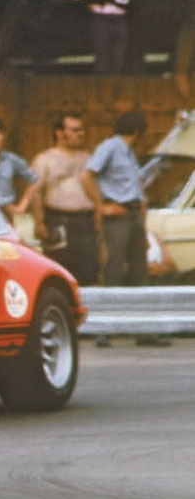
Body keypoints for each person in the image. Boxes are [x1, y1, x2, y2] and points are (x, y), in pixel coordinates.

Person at [81, 111, 168, 347]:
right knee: (114, 268)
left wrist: (143, 217)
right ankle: (105, 329)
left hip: (133, 214)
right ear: (138, 131)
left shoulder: (129, 153)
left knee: (140, 270)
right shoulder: (109, 147)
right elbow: (86, 176)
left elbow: (136, 186)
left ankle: (144, 331)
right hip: (117, 214)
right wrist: (101, 206)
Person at [30, 113, 99, 285]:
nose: (81, 134)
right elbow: (35, 192)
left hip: (85, 221)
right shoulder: (45, 159)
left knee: (88, 269)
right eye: (75, 130)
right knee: (59, 270)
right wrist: (39, 222)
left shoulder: (89, 159)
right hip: (57, 220)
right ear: (59, 133)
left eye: (82, 130)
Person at [67, 0, 137, 75]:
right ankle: (101, 82)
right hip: (101, 19)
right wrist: (87, 0)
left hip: (120, 19)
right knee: (102, 56)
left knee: (119, 56)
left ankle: (116, 82)